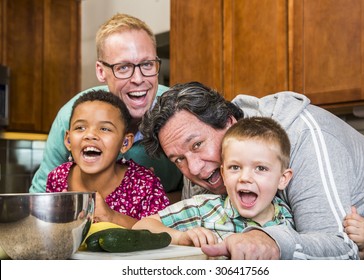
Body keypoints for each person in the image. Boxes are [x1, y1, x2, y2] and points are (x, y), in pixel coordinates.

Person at [139, 81, 364, 260]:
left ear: (229, 122)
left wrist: (270, 241)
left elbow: (341, 250)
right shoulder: (206, 167)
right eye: (178, 159)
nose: (193, 168)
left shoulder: (303, 137)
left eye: (197, 145)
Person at [29, 13, 183, 201]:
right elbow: (40, 198)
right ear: (101, 71)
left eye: (147, 64)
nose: (138, 79)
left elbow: (200, 196)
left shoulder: (179, 113)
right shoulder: (72, 116)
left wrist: (150, 199)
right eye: (123, 67)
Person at [134, 117, 295, 247]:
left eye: (260, 168)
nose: (245, 177)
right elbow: (141, 227)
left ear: (283, 179)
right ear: (223, 173)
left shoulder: (287, 218)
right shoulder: (204, 208)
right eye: (235, 167)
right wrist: (180, 237)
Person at [46, 90, 170, 229]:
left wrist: (110, 216)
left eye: (104, 129)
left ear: (125, 143)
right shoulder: (57, 178)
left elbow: (164, 234)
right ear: (68, 140)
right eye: (80, 127)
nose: (90, 135)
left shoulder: (145, 184)